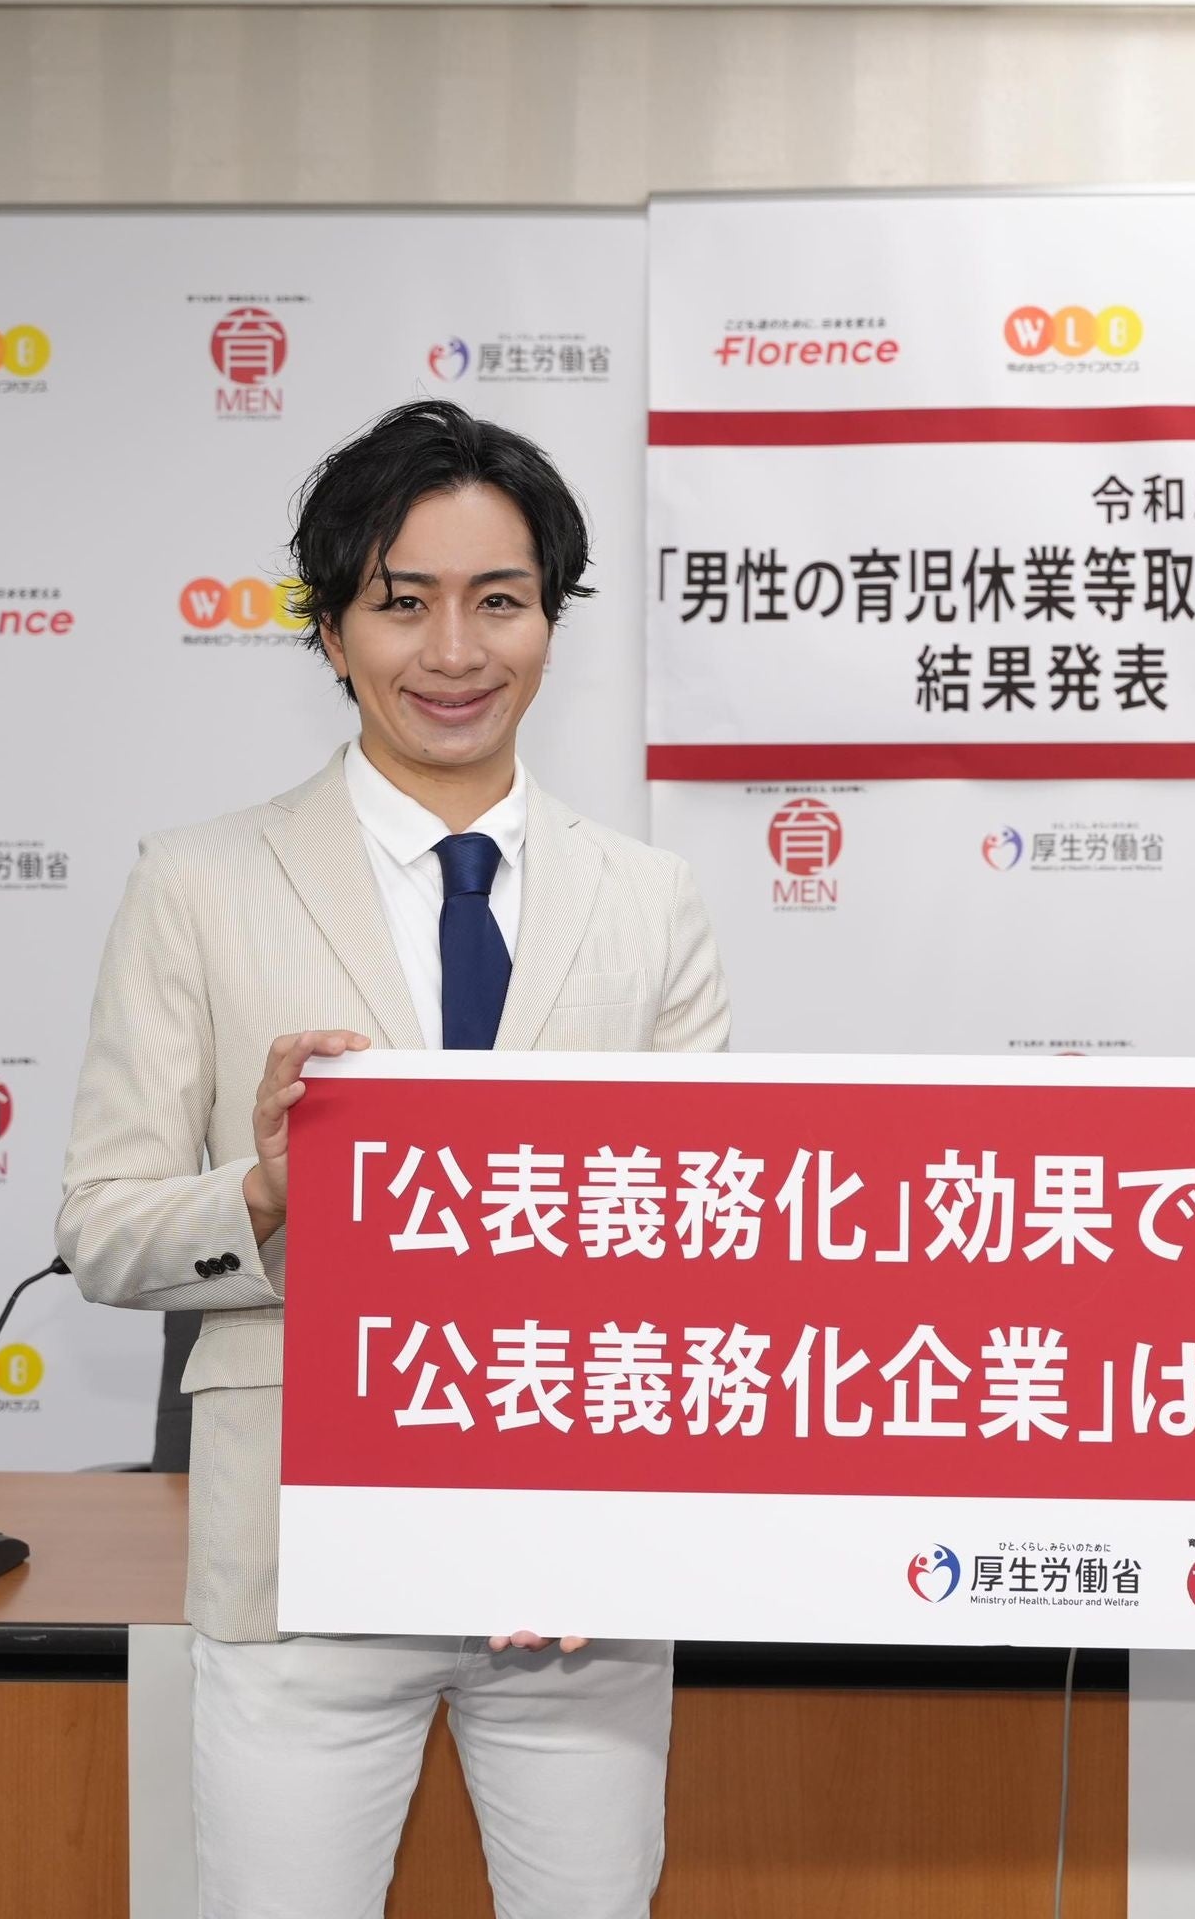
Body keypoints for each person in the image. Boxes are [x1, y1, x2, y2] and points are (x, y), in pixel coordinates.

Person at [58, 400, 732, 1917]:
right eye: (402, 601)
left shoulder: (650, 902)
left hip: (576, 1573)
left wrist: (626, 1520)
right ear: (329, 630)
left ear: (552, 623)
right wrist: (264, 1192)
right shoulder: (198, 884)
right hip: (300, 1569)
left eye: (499, 601)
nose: (454, 651)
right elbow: (102, 1227)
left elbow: (697, 1259)